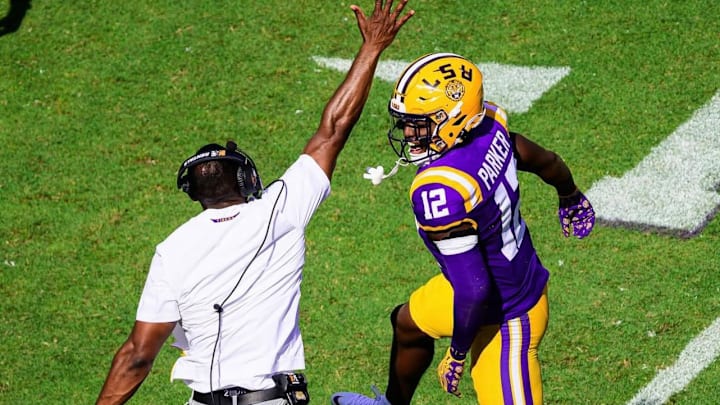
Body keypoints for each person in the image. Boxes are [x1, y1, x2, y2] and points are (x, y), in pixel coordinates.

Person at [95, 2, 414, 404]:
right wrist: (372, 47)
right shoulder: (279, 210)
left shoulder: (170, 251)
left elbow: (137, 356)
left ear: (193, 192)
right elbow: (333, 129)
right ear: (247, 180)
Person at [331, 53, 595, 405]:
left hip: (508, 313)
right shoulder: (487, 125)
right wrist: (569, 193)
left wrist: (456, 354)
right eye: (407, 122)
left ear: (454, 118)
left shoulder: (440, 191)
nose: (409, 132)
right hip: (494, 279)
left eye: (420, 123)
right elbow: (543, 159)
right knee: (408, 324)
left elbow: (475, 289)